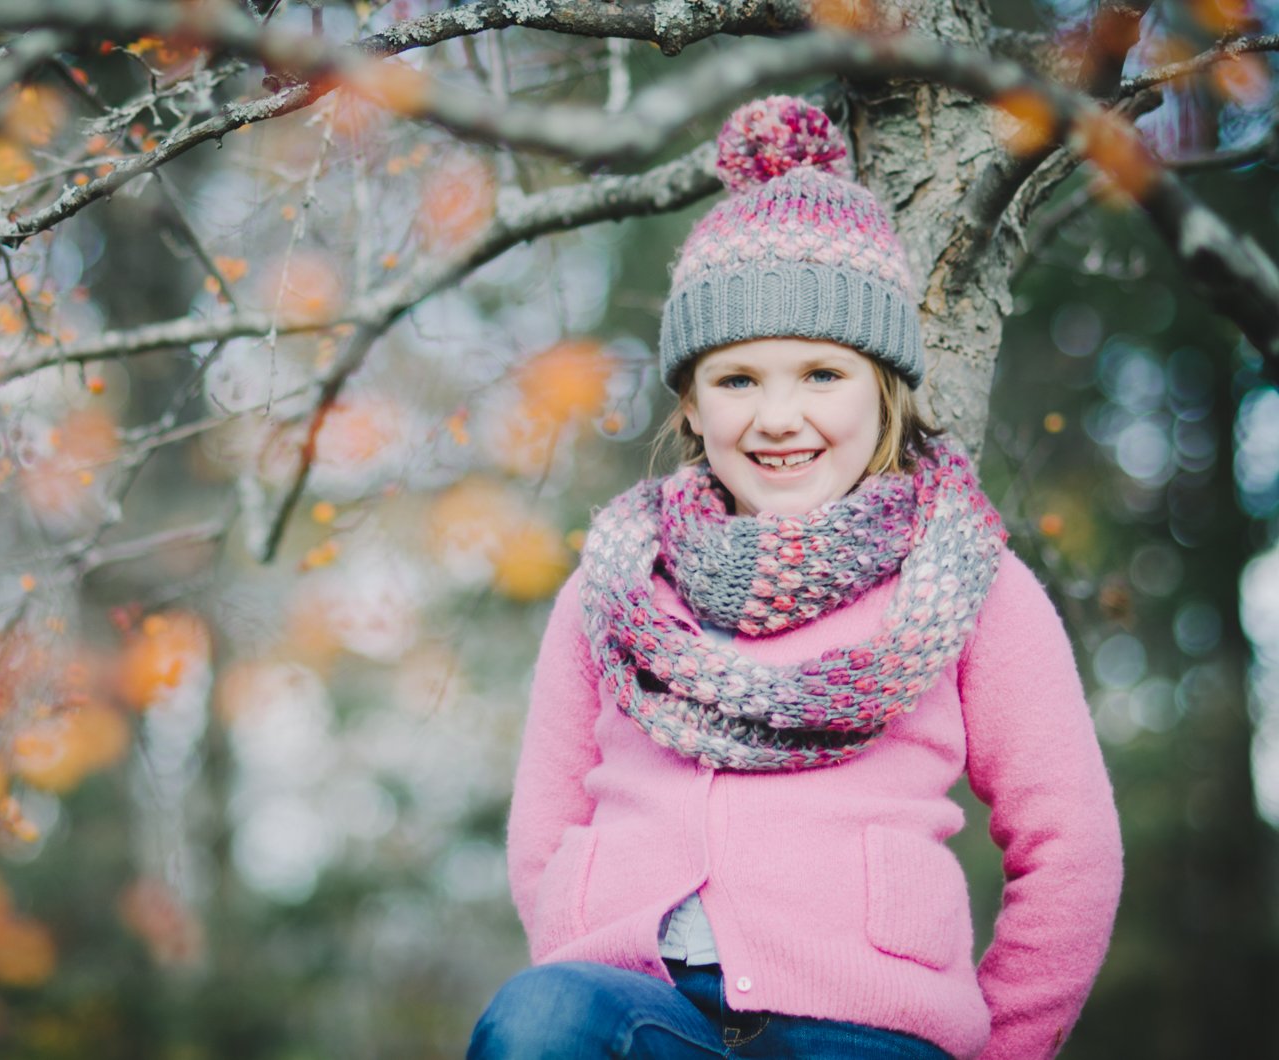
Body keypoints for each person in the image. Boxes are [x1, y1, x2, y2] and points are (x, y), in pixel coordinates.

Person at [465, 96, 1124, 1059]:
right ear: (691, 404)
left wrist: (1008, 1050)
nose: (778, 416)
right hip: (636, 1006)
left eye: (822, 375)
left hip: (864, 1024)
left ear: (886, 387)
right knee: (537, 1018)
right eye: (738, 380)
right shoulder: (615, 586)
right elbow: (545, 823)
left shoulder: (964, 580)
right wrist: (577, 932)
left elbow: (1070, 848)